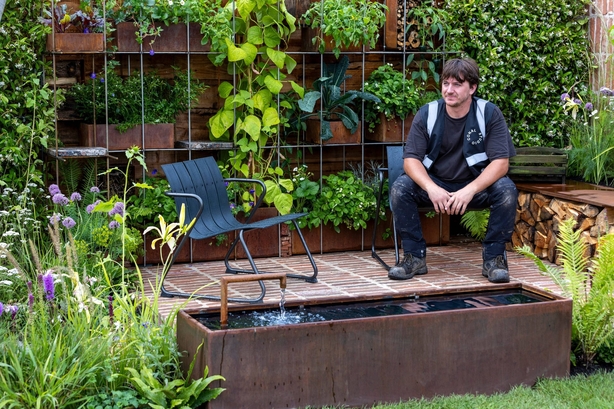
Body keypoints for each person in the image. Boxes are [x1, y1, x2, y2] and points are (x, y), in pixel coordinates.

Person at [388, 58, 517, 283]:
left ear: (472, 88)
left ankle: (494, 260)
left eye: (457, 84)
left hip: (475, 186)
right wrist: (430, 187)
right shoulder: (428, 113)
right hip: (436, 185)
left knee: (506, 190)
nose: (449, 90)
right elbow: (410, 161)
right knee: (400, 188)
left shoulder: (489, 113)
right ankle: (414, 257)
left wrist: (470, 190)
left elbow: (501, 163)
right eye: (445, 83)